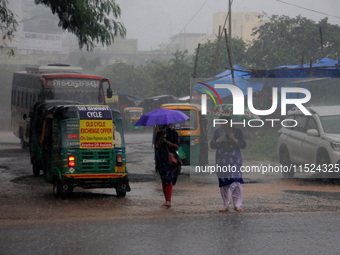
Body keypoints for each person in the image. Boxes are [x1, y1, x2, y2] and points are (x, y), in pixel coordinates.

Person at [210, 116, 247, 212]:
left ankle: (237, 204)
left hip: (234, 158)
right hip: (221, 159)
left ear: (230, 122)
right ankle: (226, 205)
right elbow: (212, 145)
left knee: (235, 180)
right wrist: (219, 140)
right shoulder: (218, 132)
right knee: (223, 182)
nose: (223, 124)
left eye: (225, 122)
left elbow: (243, 145)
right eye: (221, 122)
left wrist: (234, 138)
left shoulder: (237, 131)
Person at [155, 124, 180, 208]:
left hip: (171, 160)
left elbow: (177, 146)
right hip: (161, 160)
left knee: (168, 179)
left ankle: (168, 201)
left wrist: (167, 142)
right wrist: (161, 138)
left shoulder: (174, 133)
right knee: (163, 180)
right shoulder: (158, 134)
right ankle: (166, 200)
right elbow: (157, 146)